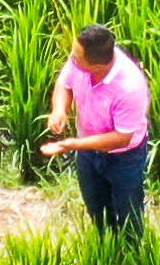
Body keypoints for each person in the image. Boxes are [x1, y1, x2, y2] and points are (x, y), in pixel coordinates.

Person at [40, 25, 152, 237]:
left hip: (124, 158)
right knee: (96, 205)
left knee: (128, 211)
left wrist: (73, 144)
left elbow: (122, 138)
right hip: (88, 151)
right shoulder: (79, 61)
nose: (71, 58)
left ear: (98, 65)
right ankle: (105, 246)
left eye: (77, 56)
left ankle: (132, 257)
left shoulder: (130, 87)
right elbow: (64, 85)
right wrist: (59, 110)